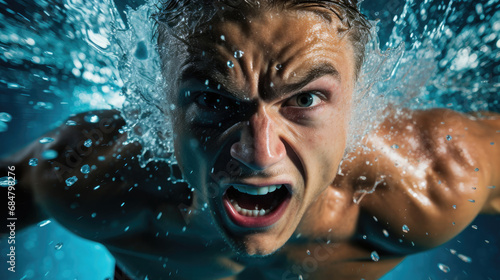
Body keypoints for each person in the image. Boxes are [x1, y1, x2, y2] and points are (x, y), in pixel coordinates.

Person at [1, 0, 499, 279]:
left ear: (359, 102)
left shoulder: (435, 176)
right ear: (162, 103)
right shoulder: (87, 174)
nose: (259, 154)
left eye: (304, 101)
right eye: (215, 101)